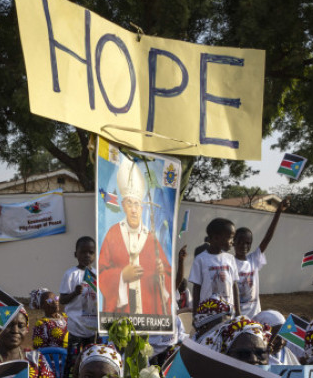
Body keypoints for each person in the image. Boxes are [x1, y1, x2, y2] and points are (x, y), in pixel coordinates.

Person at [97, 156, 172, 316]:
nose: (133, 209)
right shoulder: (113, 234)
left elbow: (167, 273)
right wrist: (122, 275)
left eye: (137, 204)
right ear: (123, 206)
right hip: (122, 313)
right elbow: (101, 272)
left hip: (148, 312)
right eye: (129, 203)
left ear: (142, 208)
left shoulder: (151, 238)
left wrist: (162, 273)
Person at [233, 198, 287, 317]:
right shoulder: (230, 263)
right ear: (233, 242)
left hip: (255, 315)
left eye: (248, 243)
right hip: (236, 316)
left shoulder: (253, 259)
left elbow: (268, 237)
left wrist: (278, 212)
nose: (244, 245)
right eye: (240, 242)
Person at [60, 236, 99, 364]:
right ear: (76, 254)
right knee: (73, 361)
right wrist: (75, 293)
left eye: (91, 252)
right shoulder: (70, 274)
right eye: (83, 252)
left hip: (92, 327)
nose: (87, 255)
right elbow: (62, 299)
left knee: (92, 359)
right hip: (76, 326)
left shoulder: (97, 274)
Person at [188, 217, 239, 312]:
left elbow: (234, 285)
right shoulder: (200, 259)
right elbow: (196, 288)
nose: (233, 241)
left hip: (228, 312)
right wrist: (195, 313)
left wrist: (238, 311)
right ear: (216, 238)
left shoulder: (230, 259)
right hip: (208, 313)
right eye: (230, 237)